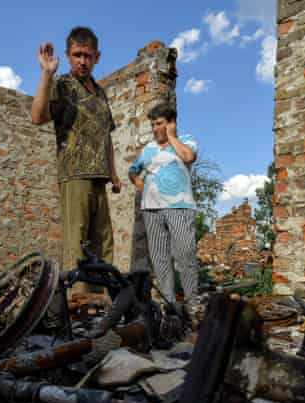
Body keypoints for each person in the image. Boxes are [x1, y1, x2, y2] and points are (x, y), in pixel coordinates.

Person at [30, 26, 121, 294]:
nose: (83, 61)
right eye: (77, 55)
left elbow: (107, 138)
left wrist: (114, 174)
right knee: (77, 244)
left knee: (103, 244)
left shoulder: (101, 94)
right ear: (69, 56)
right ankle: (78, 305)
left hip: (100, 180)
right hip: (74, 176)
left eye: (88, 56)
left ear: (97, 57)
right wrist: (47, 74)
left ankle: (102, 304)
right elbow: (37, 117)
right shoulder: (63, 86)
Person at [127, 103, 199, 310]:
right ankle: (169, 304)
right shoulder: (148, 149)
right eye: (153, 125)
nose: (155, 128)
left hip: (180, 207)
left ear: (171, 123)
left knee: (185, 254)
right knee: (160, 258)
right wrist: (138, 181)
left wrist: (172, 136)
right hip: (151, 209)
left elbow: (188, 157)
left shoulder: (186, 141)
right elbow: (133, 171)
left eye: (159, 123)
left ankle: (192, 302)